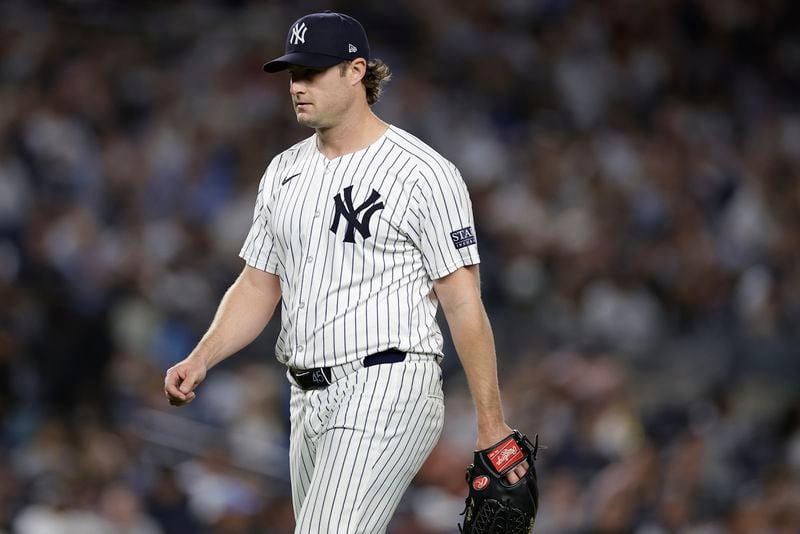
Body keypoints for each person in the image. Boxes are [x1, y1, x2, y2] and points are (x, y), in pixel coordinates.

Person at [164, 10, 528, 533]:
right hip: (305, 398)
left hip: (387, 383)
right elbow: (258, 284)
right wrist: (202, 357)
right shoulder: (284, 171)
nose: (298, 86)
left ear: (356, 72)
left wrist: (490, 421)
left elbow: (463, 300)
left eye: (312, 72)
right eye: (293, 75)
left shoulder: (422, 172)